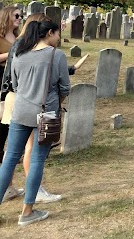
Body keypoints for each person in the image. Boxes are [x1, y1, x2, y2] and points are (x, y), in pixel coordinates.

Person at [1, 13, 85, 204]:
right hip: (45, 113)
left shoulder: (20, 52)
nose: (58, 38)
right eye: (57, 34)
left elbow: (15, 83)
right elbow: (65, 87)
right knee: (37, 159)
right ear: (49, 33)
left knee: (9, 158)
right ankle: (28, 210)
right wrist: (57, 103)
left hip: (20, 111)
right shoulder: (56, 55)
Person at [0, 6, 23, 201]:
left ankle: (8, 186)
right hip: (0, 87)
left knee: (9, 137)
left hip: (13, 90)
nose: (19, 18)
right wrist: (12, 54)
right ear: (6, 16)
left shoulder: (17, 37)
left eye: (21, 16)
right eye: (16, 15)